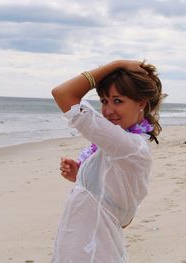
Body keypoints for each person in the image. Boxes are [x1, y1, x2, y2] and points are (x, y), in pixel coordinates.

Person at [51, 60, 163, 262]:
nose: (108, 110)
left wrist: (118, 64)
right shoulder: (124, 149)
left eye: (117, 101)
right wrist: (81, 177)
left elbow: (63, 94)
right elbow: (123, 219)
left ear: (141, 103)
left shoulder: (128, 146)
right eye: (103, 101)